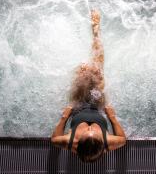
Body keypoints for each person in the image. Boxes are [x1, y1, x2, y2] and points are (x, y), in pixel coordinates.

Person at [51, 10, 126, 163]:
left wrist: (65, 117)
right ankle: (96, 32)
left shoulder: (69, 142)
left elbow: (54, 139)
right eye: (95, 132)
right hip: (98, 105)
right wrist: (112, 118)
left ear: (78, 143)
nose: (90, 128)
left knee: (83, 72)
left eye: (87, 132)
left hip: (77, 105)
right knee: (97, 71)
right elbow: (122, 139)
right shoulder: (109, 143)